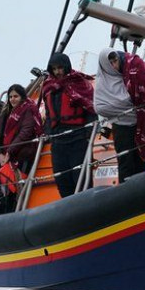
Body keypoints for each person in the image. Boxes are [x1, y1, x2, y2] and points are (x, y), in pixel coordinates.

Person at [94, 48, 145, 183]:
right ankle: (126, 196)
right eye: (110, 63)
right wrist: (128, 106)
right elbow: (100, 107)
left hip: (141, 124)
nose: (114, 65)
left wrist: (126, 107)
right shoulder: (102, 83)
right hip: (121, 128)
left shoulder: (130, 73)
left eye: (115, 61)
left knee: (142, 161)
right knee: (125, 163)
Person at [42, 53, 96, 197]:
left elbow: (91, 108)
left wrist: (89, 133)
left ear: (66, 66)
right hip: (58, 143)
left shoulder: (79, 82)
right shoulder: (47, 87)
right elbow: (48, 114)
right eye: (54, 69)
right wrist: (48, 133)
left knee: (82, 180)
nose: (57, 72)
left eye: (60, 68)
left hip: (78, 139)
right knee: (62, 182)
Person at [1, 84, 42, 173]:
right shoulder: (13, 111)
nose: (12, 99)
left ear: (22, 97)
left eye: (16, 96)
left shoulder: (28, 108)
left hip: (24, 152)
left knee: (18, 183)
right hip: (15, 151)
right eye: (10, 97)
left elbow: (26, 131)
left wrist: (11, 150)